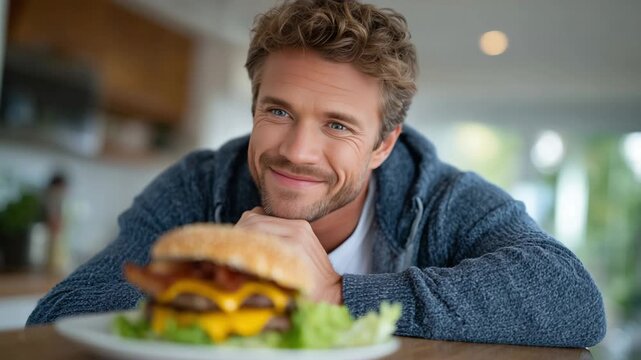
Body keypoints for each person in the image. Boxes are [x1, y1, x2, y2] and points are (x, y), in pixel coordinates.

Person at [27, 0, 606, 347]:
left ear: (383, 144)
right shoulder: (200, 183)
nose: (297, 152)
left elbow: (572, 299)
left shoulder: (444, 194)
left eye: (338, 125)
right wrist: (215, 281)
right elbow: (56, 317)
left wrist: (333, 294)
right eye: (278, 112)